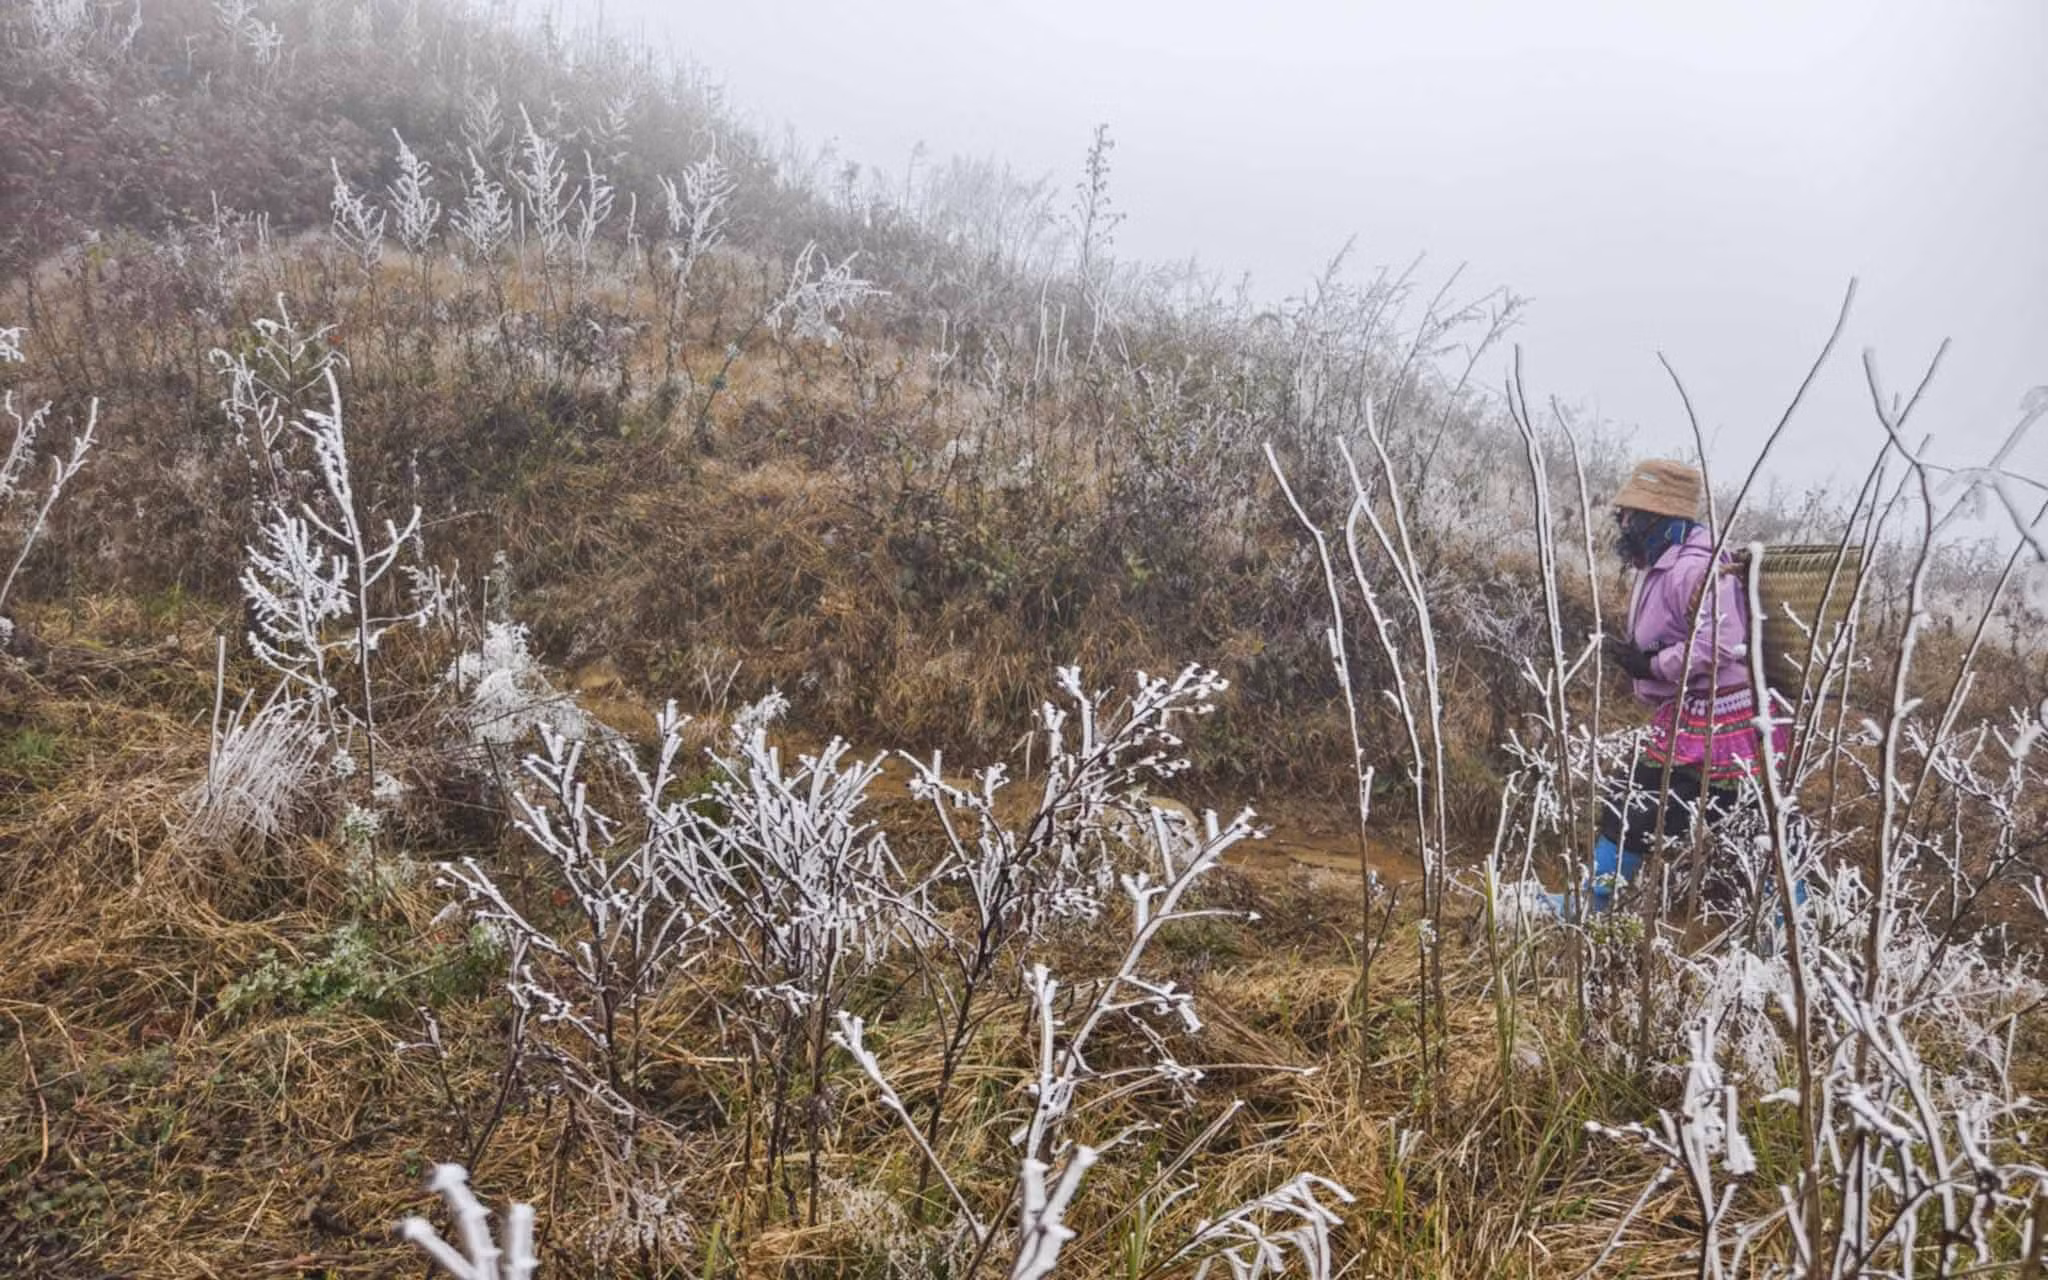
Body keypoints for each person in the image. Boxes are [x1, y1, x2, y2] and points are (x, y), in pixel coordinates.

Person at [1564, 458, 1790, 915]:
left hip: (1727, 719)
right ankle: (1796, 931)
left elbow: (1723, 641)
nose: (1621, 522)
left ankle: (1795, 932)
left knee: (1748, 820)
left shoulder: (1697, 567)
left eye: (1630, 514)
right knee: (1745, 818)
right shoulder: (1668, 560)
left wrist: (1654, 664)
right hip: (1703, 712)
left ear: (1658, 519)